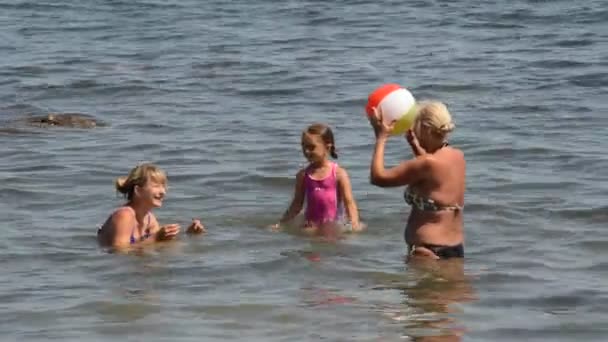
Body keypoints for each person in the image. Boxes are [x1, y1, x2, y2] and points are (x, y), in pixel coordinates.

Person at [368, 101, 465, 259]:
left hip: (428, 250)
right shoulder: (458, 157)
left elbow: (378, 178)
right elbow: (433, 177)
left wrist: (381, 137)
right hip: (454, 248)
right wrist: (415, 145)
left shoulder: (426, 164)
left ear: (426, 129)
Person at [273, 123, 362, 235]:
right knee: (308, 234)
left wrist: (354, 223)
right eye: (304, 146)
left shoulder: (339, 174)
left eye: (311, 147)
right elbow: (296, 204)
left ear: (327, 147)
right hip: (310, 224)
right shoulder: (303, 175)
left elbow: (349, 203)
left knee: (329, 235)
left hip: (332, 224)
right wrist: (281, 224)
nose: (306, 151)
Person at [97, 163, 205, 247]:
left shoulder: (149, 218)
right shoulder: (125, 215)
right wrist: (156, 238)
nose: (163, 192)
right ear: (138, 190)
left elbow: (161, 243)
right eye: (156, 186)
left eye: (164, 187)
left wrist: (189, 234)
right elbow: (118, 251)